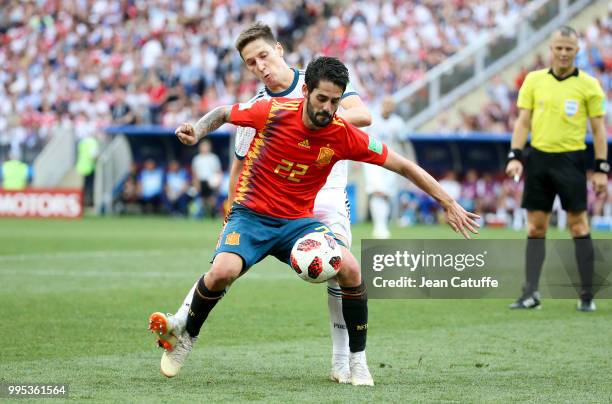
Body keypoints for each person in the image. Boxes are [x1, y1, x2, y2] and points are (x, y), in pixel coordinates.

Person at [149, 57, 480, 385]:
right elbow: (223, 112)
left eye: (335, 101)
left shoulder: (343, 134)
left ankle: (357, 361)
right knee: (222, 272)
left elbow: (403, 165)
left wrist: (448, 202)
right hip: (251, 216)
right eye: (322, 99)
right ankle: (187, 337)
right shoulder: (273, 112)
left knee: (351, 268)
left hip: (298, 222)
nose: (328, 108)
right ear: (305, 91)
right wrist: (198, 129)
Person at [173, 22, 372, 384]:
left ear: (279, 49)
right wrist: (230, 208)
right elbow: (239, 162)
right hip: (273, 202)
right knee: (226, 267)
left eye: (263, 55)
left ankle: (344, 361)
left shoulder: (320, 81)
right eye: (251, 63)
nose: (260, 66)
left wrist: (307, 117)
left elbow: (362, 115)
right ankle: (181, 321)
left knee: (340, 268)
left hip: (326, 194)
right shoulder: (257, 108)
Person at [505, 26, 608, 312]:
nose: (563, 53)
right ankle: (530, 293)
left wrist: (601, 168)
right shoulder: (534, 80)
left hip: (571, 161)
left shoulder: (589, 85)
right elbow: (522, 122)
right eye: (558, 48)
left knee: (579, 226)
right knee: (536, 227)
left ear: (577, 51)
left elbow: (599, 130)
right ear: (551, 49)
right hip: (538, 160)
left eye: (569, 48)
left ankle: (586, 295)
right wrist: (515, 156)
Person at [363, 97, 407, 239]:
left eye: (390, 104)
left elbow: (403, 142)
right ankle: (379, 227)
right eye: (385, 104)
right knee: (377, 191)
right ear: (381, 105)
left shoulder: (398, 123)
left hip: (390, 161)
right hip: (372, 160)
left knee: (387, 194)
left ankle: (382, 226)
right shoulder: (372, 119)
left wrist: (408, 160)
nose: (388, 107)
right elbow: (361, 137)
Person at [191, 139, 222, 217]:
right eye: (203, 146)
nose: (204, 148)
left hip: (210, 181)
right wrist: (196, 183)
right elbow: (194, 173)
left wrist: (218, 182)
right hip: (201, 181)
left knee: (211, 198)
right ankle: (203, 213)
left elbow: (218, 171)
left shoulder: (213, 158)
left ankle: (214, 213)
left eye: (206, 146)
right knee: (202, 199)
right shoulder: (197, 159)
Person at [76, 135, 100, 207]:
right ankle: (88, 202)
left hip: (81, 166)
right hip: (90, 167)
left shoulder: (82, 142)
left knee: (83, 186)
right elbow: (94, 155)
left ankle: (81, 202)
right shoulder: (93, 142)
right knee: (89, 186)